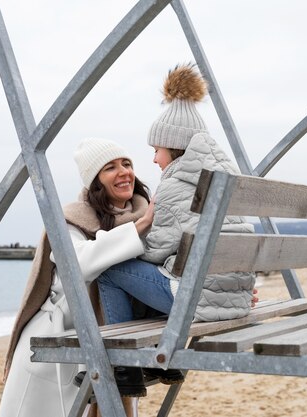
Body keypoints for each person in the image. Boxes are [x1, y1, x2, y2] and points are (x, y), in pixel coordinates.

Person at [97, 64, 258, 384]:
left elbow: (155, 251)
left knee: (110, 268)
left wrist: (123, 236)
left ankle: (123, 364)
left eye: (157, 150)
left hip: (199, 300)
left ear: (173, 147)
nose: (155, 159)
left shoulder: (177, 183)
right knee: (164, 272)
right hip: (233, 300)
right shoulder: (223, 177)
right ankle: (162, 360)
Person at [0, 138, 154, 417]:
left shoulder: (146, 214)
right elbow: (76, 264)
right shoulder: (72, 220)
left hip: (107, 338)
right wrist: (138, 229)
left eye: (127, 164)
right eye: (110, 167)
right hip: (58, 338)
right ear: (95, 181)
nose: (124, 172)